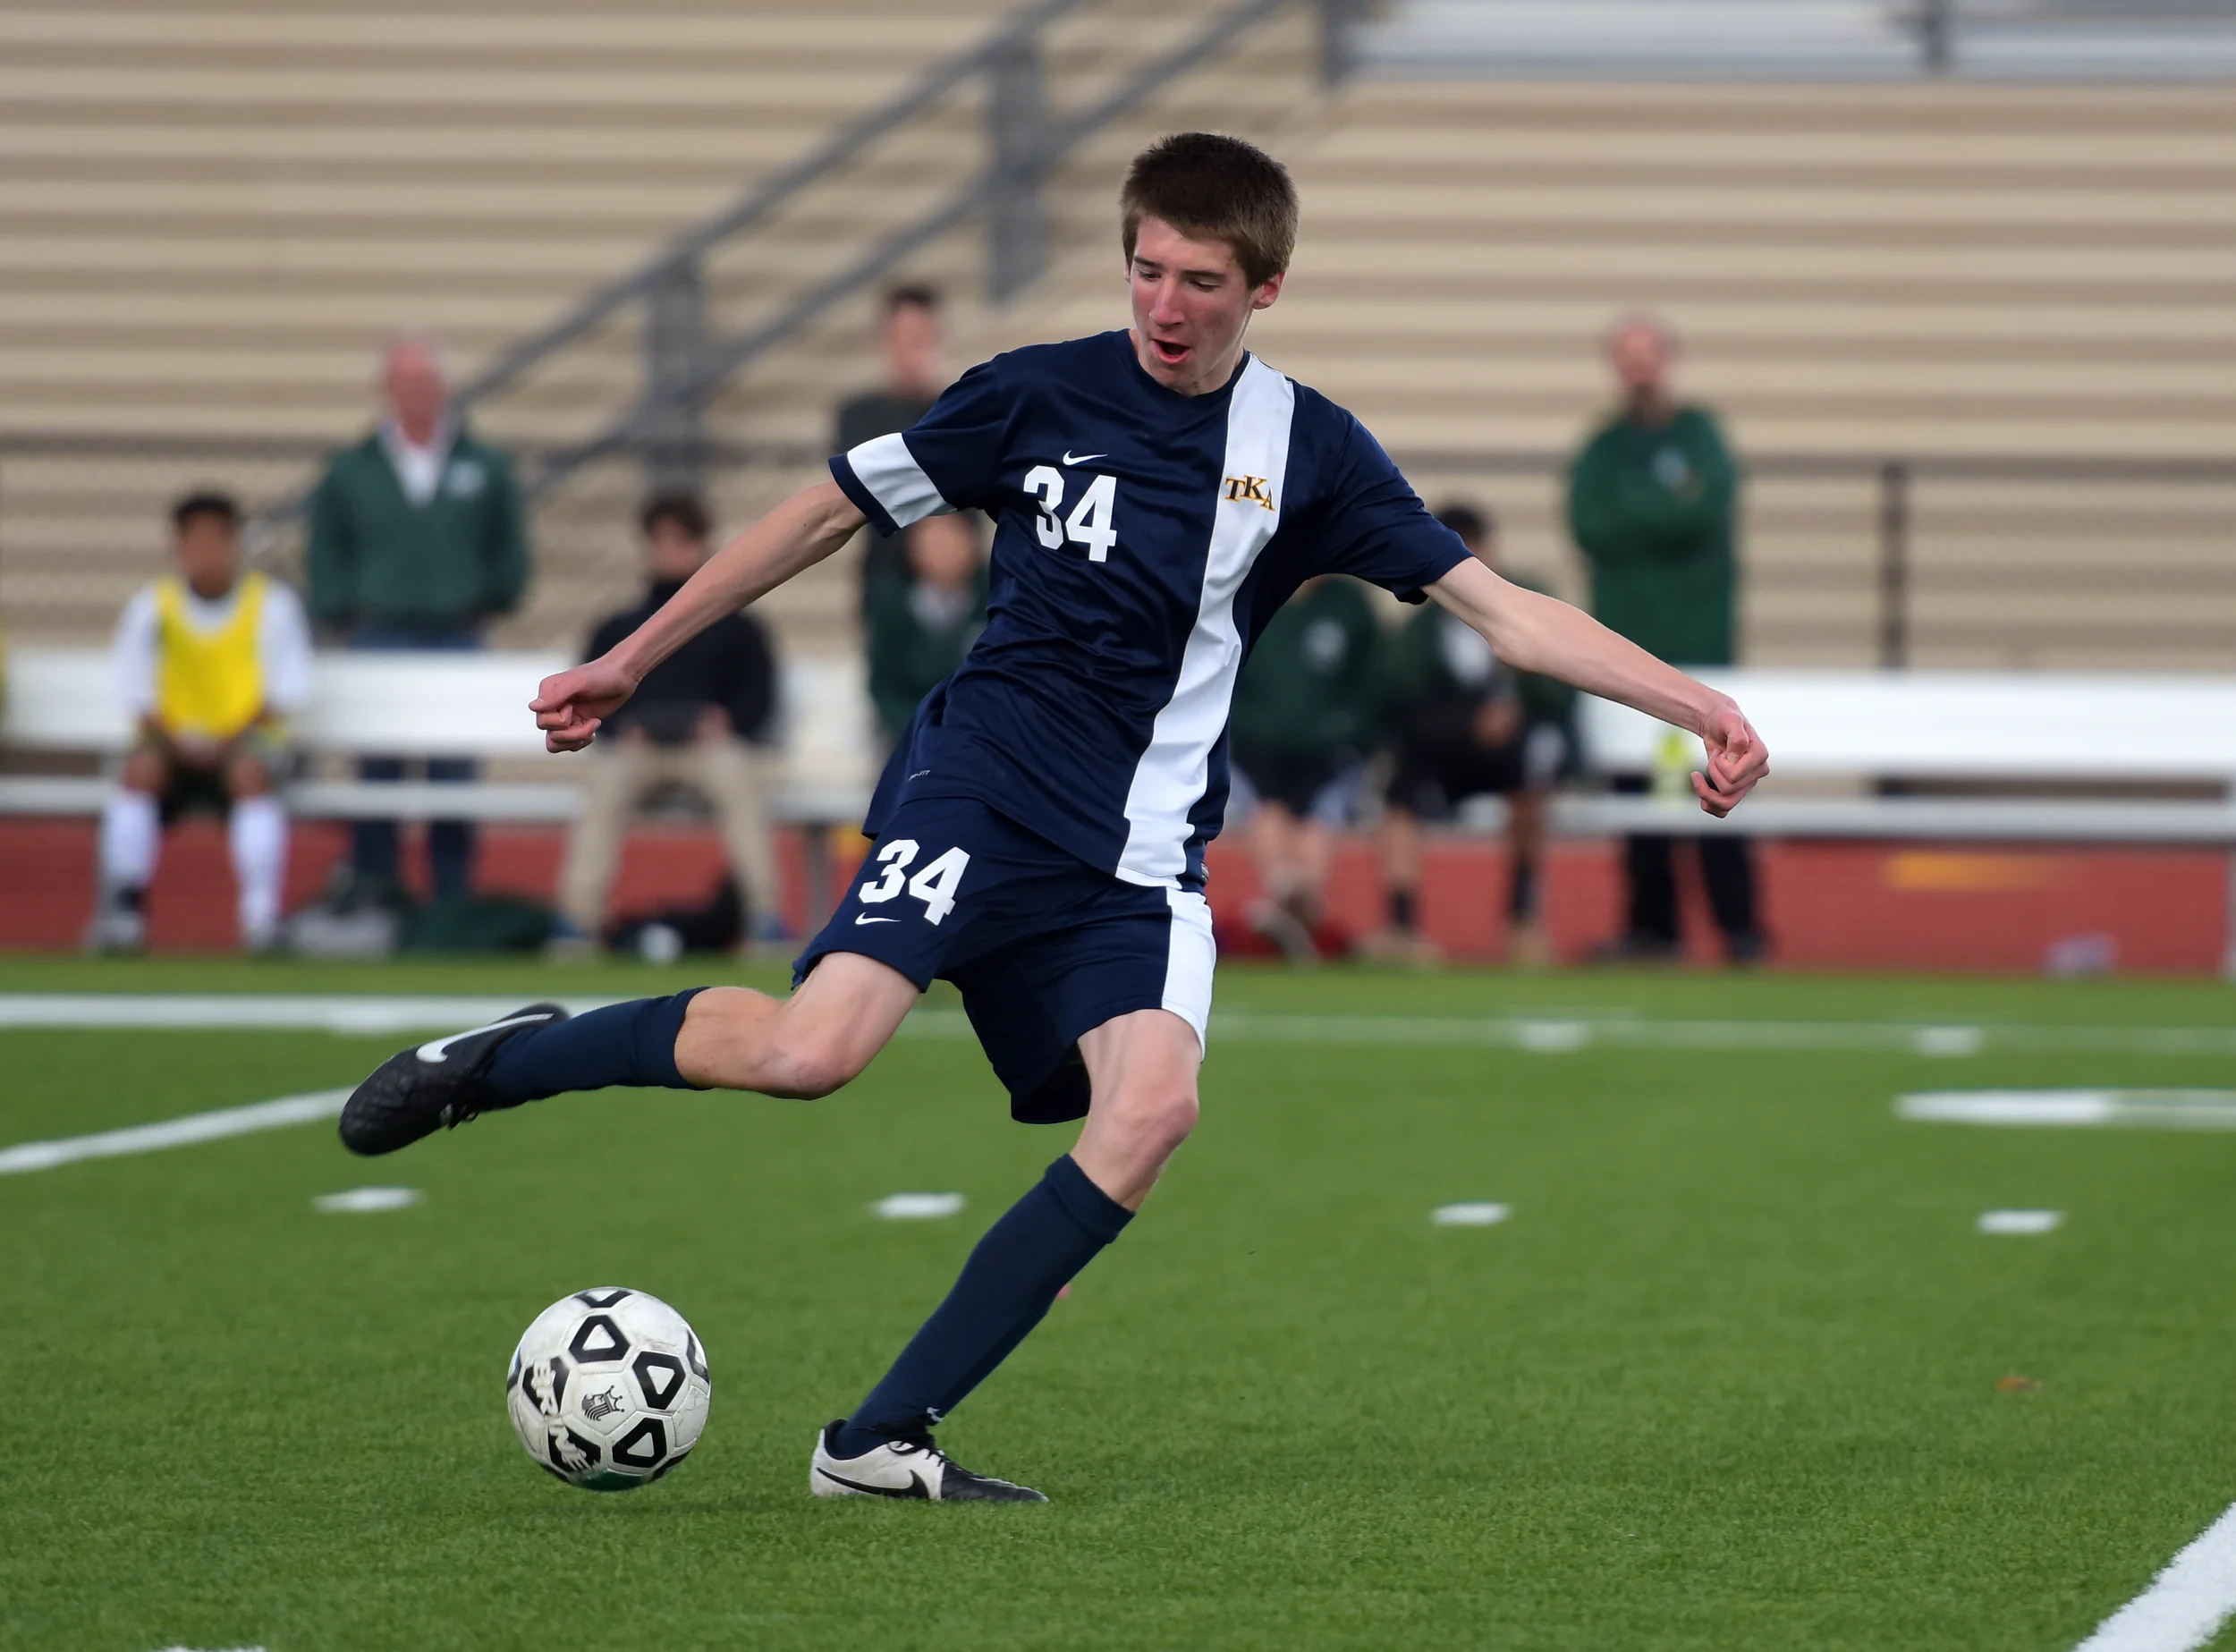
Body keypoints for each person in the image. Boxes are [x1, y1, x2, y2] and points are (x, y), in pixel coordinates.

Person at [336, 134, 1768, 1503]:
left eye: (1200, 281)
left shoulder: (1308, 449)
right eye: (1145, 268)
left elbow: (1505, 612)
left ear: (1264, 288)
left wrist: (1692, 703)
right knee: (809, 1052)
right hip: (982, 783)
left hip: (1136, 852)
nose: (1164, 304)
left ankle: (881, 1436)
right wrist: (634, 653)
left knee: (1152, 1109)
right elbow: (829, 510)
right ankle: (508, 1060)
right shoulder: (1033, 393)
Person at [1568, 317, 1764, 963]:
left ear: (1668, 361)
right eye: (1627, 358)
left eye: (1648, 356)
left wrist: (1638, 516)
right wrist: (1664, 514)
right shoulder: (1600, 450)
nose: (1639, 369)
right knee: (1637, 794)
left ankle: (1741, 928)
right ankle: (1653, 929)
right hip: (1627, 653)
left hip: (1699, 646)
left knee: (1718, 780)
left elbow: (1704, 512)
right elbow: (1590, 524)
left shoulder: (1701, 437)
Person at [307, 334, 529, 903]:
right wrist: (340, 605)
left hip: (457, 634)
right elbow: (326, 546)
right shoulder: (353, 468)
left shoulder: (483, 464)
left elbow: (510, 545)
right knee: (377, 771)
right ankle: (376, 887)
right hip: (377, 633)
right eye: (405, 385)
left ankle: (451, 895)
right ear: (387, 390)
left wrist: (491, 595)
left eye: (425, 384)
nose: (416, 396)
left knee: (454, 773)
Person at [88, 491, 313, 953]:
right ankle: (125, 913)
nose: (206, 553)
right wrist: (181, 740)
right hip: (172, 749)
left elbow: (287, 692)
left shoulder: (272, 606)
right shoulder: (152, 609)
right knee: (139, 772)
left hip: (244, 746)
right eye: (196, 542)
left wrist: (227, 739)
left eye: (216, 541)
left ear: (235, 545)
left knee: (251, 775)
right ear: (178, 548)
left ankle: (260, 918)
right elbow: (135, 695)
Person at [554, 493, 780, 951]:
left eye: (682, 540)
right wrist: (620, 728)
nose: (670, 551)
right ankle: (578, 921)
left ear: (702, 544)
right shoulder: (617, 626)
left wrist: (725, 722)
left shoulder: (740, 627)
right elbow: (589, 696)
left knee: (737, 775)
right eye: (660, 541)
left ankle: (765, 917)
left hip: (708, 750)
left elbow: (759, 698)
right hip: (638, 751)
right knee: (604, 782)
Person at [1369, 504, 1576, 965]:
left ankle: (1523, 919)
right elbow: (1406, 704)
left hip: (1510, 748)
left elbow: (1563, 688)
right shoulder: (1422, 626)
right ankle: (1402, 925)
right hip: (1443, 754)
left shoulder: (1527, 607)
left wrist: (1517, 703)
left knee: (1532, 781)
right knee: (1400, 792)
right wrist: (1467, 723)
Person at [1226, 574, 1381, 960]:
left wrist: (1345, 726)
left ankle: (1288, 916)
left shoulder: (1348, 604)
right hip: (1255, 747)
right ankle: (1294, 915)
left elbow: (1374, 678)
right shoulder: (1249, 590)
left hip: (1326, 751)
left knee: (1318, 826)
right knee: (1267, 815)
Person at [834, 285, 946, 612]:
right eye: (906, 337)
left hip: (955, 582)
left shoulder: (956, 406)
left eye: (924, 337)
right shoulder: (859, 414)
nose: (915, 349)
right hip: (888, 577)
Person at [865, 510, 987, 750]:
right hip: (911, 734)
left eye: (952, 537)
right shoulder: (891, 598)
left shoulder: (1000, 594)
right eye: (932, 540)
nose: (942, 551)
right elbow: (883, 685)